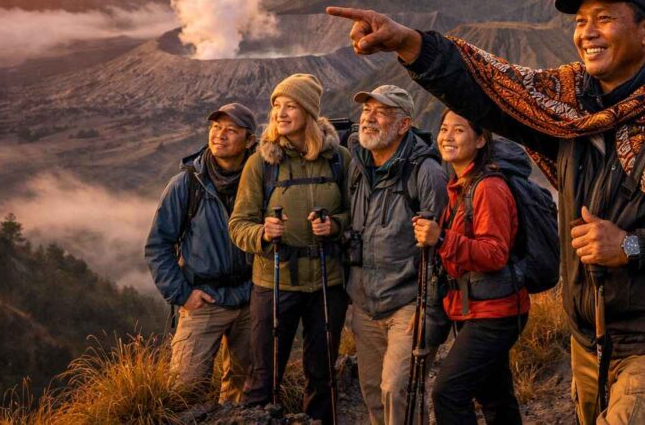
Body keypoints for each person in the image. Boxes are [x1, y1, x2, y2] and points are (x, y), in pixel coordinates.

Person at [327, 0, 645, 424]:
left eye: (604, 18)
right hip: (593, 337)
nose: (587, 33)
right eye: (581, 22)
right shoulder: (573, 103)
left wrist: (634, 246)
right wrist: (410, 44)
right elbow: (496, 86)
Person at [228, 73, 351, 422]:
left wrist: (335, 225)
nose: (280, 113)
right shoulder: (261, 164)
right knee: (264, 375)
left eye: (291, 106)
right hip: (274, 282)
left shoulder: (339, 158)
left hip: (328, 283)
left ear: (310, 113)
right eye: (277, 106)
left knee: (323, 372)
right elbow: (238, 226)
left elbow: (356, 214)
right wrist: (263, 232)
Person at [413, 110, 529, 424]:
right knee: (494, 396)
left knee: (448, 393)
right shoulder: (460, 184)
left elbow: (494, 254)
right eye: (444, 129)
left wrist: (441, 239)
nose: (447, 136)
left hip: (495, 313)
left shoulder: (487, 188)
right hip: (473, 307)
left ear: (479, 140)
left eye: (459, 130)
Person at [345, 84, 448, 425]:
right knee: (373, 389)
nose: (369, 119)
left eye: (381, 112)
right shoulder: (357, 166)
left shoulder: (425, 171)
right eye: (366, 111)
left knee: (397, 389)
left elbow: (440, 246)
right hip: (365, 301)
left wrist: (428, 309)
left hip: (409, 303)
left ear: (404, 125)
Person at [145, 102, 257, 403]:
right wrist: (182, 294)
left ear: (250, 141)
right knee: (184, 392)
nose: (220, 135)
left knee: (245, 391)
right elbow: (158, 245)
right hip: (203, 300)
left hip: (250, 298)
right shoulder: (186, 184)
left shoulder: (261, 179)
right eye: (215, 128)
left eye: (231, 131)